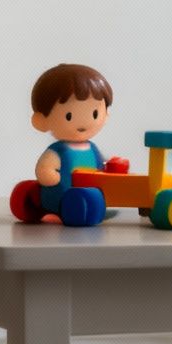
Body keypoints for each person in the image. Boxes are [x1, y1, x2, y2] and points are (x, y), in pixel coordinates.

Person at [29, 64, 117, 224]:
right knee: (75, 199)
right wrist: (48, 173)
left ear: (106, 114)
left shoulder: (92, 149)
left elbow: (101, 168)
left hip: (91, 194)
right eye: (69, 116)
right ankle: (62, 210)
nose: (83, 123)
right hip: (64, 194)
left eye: (94, 113)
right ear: (41, 120)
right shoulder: (59, 150)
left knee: (91, 198)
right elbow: (45, 168)